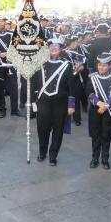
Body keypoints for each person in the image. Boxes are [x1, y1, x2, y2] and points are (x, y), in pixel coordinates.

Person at [32, 37, 75, 166]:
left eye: (57, 47)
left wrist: (71, 105)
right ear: (48, 49)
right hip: (43, 103)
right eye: (51, 47)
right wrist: (32, 102)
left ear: (61, 49)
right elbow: (33, 84)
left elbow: (72, 87)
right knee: (42, 130)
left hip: (60, 104)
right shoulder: (40, 63)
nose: (54, 49)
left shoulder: (67, 65)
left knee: (58, 131)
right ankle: (42, 152)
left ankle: (53, 155)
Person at [86, 52, 111, 169]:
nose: (102, 67)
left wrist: (106, 105)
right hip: (95, 110)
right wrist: (99, 103)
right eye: (100, 65)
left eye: (105, 65)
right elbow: (89, 92)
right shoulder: (92, 77)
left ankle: (105, 159)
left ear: (110, 66)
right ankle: (95, 158)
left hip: (108, 110)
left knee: (106, 135)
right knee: (95, 135)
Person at [0, 18, 21, 118]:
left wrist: (8, 53)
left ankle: (15, 109)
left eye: (2, 21)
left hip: (11, 64)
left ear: (6, 23)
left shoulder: (12, 34)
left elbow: (18, 48)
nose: (1, 23)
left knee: (13, 88)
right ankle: (1, 109)